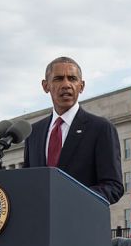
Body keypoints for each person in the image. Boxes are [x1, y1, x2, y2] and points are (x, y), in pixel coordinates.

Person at [23, 56, 124, 204]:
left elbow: (113, 187)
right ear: (46, 86)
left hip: (79, 222)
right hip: (40, 224)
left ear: (81, 86)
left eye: (72, 79)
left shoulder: (100, 128)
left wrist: (71, 198)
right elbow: (28, 182)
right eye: (58, 79)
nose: (66, 84)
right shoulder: (33, 132)